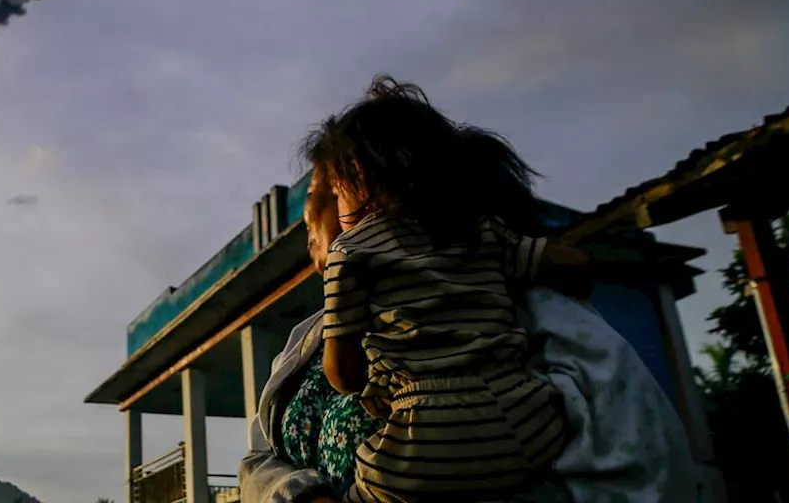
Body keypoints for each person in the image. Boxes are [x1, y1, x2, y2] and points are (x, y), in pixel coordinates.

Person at [239, 79, 701, 503]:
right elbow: (258, 461)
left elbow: (638, 471)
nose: (311, 229)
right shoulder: (307, 339)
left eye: (326, 195)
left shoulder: (539, 317)